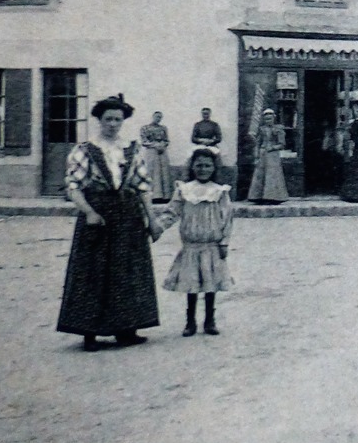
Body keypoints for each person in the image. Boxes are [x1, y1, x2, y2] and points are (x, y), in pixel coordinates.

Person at [56, 94, 163, 351]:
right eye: (108, 119)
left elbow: (142, 186)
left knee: (128, 271)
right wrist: (89, 212)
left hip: (128, 216)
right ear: (99, 120)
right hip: (98, 215)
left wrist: (152, 219)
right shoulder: (84, 150)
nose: (113, 124)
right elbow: (73, 187)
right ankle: (89, 333)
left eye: (117, 119)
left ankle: (127, 329)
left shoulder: (131, 150)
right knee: (93, 272)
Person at [158, 148, 235, 336]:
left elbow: (227, 219)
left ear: (214, 168)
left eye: (207, 165)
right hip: (191, 246)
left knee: (211, 284)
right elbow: (171, 212)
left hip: (211, 246)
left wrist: (224, 242)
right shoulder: (184, 190)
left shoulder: (220, 192)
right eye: (199, 165)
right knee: (191, 284)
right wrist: (157, 227)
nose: (203, 169)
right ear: (192, 167)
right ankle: (190, 321)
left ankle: (210, 320)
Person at [247, 109, 288, 204]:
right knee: (260, 174)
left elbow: (282, 144)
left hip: (273, 155)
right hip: (263, 153)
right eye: (266, 119)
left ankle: (273, 197)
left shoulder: (279, 129)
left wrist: (273, 147)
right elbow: (258, 142)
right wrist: (256, 154)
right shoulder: (262, 129)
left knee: (272, 175)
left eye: (270, 119)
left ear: (274, 118)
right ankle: (258, 196)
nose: (268, 121)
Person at [138, 111, 174, 202]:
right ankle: (154, 196)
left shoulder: (163, 128)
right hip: (151, 151)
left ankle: (165, 196)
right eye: (157, 117)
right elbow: (143, 141)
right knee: (153, 171)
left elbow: (167, 140)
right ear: (153, 116)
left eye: (160, 117)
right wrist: (154, 145)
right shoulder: (145, 128)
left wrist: (163, 145)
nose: (158, 119)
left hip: (162, 151)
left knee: (164, 172)